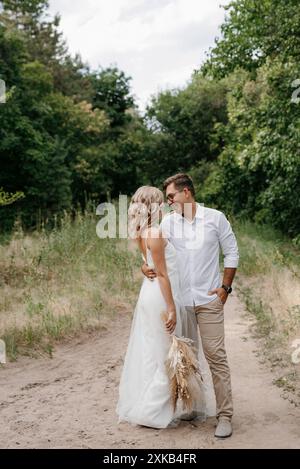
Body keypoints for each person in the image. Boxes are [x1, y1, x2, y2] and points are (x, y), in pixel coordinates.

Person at [142, 173, 239, 438]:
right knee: (186, 358)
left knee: (215, 357)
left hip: (209, 301)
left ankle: (225, 415)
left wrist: (225, 288)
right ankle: (194, 407)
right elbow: (155, 253)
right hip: (181, 301)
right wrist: (144, 265)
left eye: (171, 196)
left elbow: (231, 251)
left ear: (187, 193)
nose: (169, 201)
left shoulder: (215, 218)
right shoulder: (169, 224)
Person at [116, 186, 209, 429]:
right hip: (160, 295)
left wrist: (144, 269)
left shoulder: (141, 231)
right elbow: (162, 274)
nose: (166, 205)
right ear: (155, 205)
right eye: (162, 201)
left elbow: (148, 265)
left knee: (154, 351)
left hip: (149, 294)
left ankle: (150, 404)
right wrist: (171, 308)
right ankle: (151, 412)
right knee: (165, 354)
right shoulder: (155, 232)